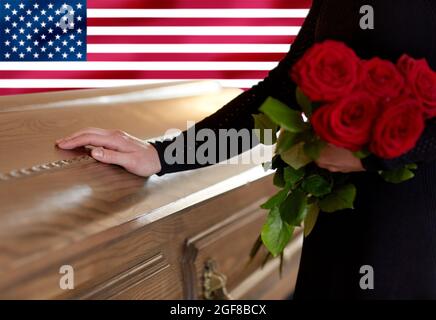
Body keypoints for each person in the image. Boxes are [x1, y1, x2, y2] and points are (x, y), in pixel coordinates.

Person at [56, 0, 436, 299]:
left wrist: (375, 154)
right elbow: (284, 86)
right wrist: (163, 155)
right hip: (342, 222)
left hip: (415, 232)